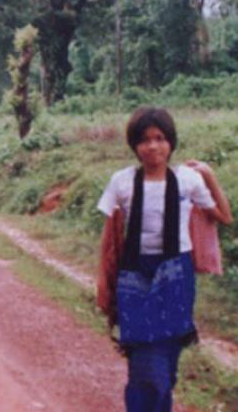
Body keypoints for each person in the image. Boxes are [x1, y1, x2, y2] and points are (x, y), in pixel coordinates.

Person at [96, 107, 232, 412]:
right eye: (144, 140)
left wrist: (209, 175)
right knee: (146, 367)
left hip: (176, 278)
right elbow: (110, 240)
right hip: (135, 277)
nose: (153, 146)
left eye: (160, 138)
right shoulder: (122, 181)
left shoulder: (188, 180)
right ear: (134, 145)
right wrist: (105, 284)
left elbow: (223, 216)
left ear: (171, 142)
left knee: (167, 365)